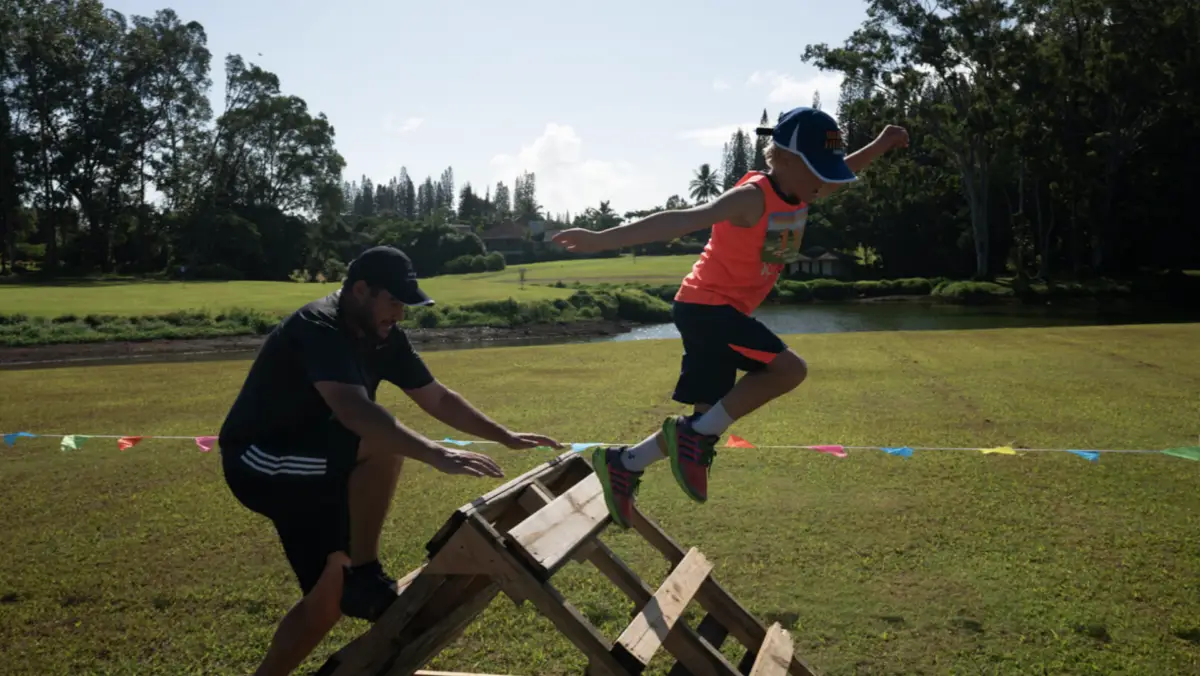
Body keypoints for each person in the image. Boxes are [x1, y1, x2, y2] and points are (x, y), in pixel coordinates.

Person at [550, 107, 908, 528]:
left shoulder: (806, 188)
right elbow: (684, 220)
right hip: (707, 307)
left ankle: (624, 464)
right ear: (785, 160)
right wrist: (601, 239)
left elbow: (843, 168)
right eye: (817, 170)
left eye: (826, 171)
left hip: (721, 310)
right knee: (789, 370)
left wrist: (882, 144)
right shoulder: (751, 197)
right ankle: (687, 439)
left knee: (705, 421)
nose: (825, 181)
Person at [217, 245, 562, 676]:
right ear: (361, 290)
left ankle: (351, 583)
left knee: (327, 601)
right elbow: (353, 411)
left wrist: (504, 436)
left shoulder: (384, 336)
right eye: (394, 302)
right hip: (262, 461)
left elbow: (436, 397)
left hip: (319, 458)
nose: (400, 314)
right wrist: (436, 454)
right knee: (381, 441)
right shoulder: (319, 326)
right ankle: (365, 572)